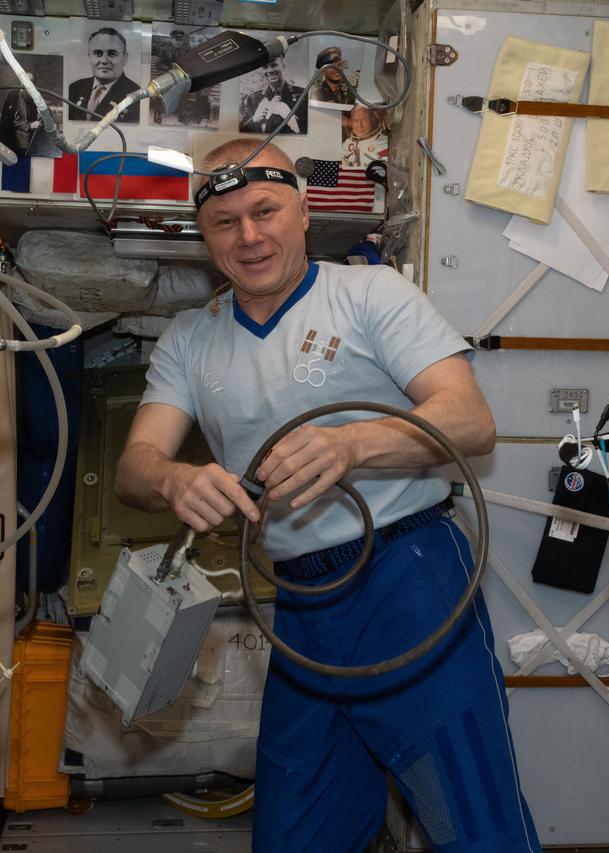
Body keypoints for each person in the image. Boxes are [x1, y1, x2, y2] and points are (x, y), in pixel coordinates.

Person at [115, 138, 542, 853]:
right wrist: (174, 478)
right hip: (301, 607)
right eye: (225, 222)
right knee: (294, 834)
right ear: (204, 235)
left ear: (304, 210)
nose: (249, 237)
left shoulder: (370, 294)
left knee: (473, 820)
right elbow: (134, 466)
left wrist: (353, 443)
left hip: (408, 580)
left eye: (265, 211)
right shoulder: (190, 340)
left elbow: (471, 421)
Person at [68, 27, 140, 122]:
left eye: (112, 54)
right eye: (98, 54)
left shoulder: (137, 96)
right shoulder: (74, 89)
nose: (104, 61)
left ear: (125, 58)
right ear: (89, 57)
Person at [239, 56, 308, 134]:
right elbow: (243, 131)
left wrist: (292, 117)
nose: (269, 71)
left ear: (283, 66)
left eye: (274, 65)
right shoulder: (253, 98)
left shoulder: (302, 94)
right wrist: (254, 120)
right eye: (265, 67)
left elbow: (312, 128)